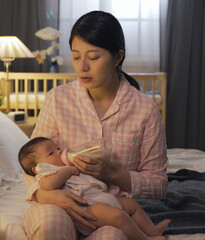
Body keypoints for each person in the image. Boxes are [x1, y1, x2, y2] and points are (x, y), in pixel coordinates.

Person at [22, 10, 168, 240]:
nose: (82, 67)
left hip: (109, 210)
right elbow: (31, 162)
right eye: (76, 56)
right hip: (59, 203)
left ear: (117, 57)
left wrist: (114, 173)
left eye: (93, 57)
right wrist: (44, 195)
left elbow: (158, 184)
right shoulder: (57, 99)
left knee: (111, 237)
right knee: (50, 225)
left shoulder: (144, 110)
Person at [19, 137, 170, 240]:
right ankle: (144, 239)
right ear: (36, 168)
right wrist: (68, 170)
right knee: (118, 216)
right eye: (51, 153)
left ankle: (150, 229)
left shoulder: (64, 164)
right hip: (86, 208)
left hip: (100, 197)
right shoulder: (46, 172)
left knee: (131, 204)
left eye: (58, 148)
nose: (59, 152)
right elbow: (48, 185)